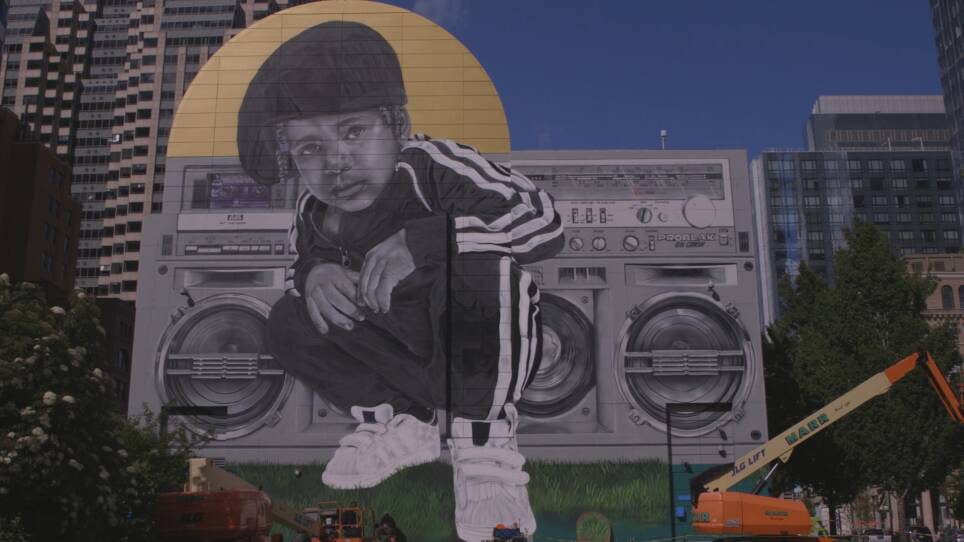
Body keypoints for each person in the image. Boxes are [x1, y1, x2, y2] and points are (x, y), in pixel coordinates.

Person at [236, 20, 563, 542]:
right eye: (309, 149)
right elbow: (302, 268)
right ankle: (402, 422)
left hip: (472, 354)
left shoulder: (435, 168)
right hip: (400, 362)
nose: (337, 163)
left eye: (354, 132)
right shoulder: (314, 210)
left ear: (397, 124)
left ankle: (483, 449)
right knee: (288, 317)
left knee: (482, 266)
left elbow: (544, 222)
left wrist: (423, 240)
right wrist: (314, 272)